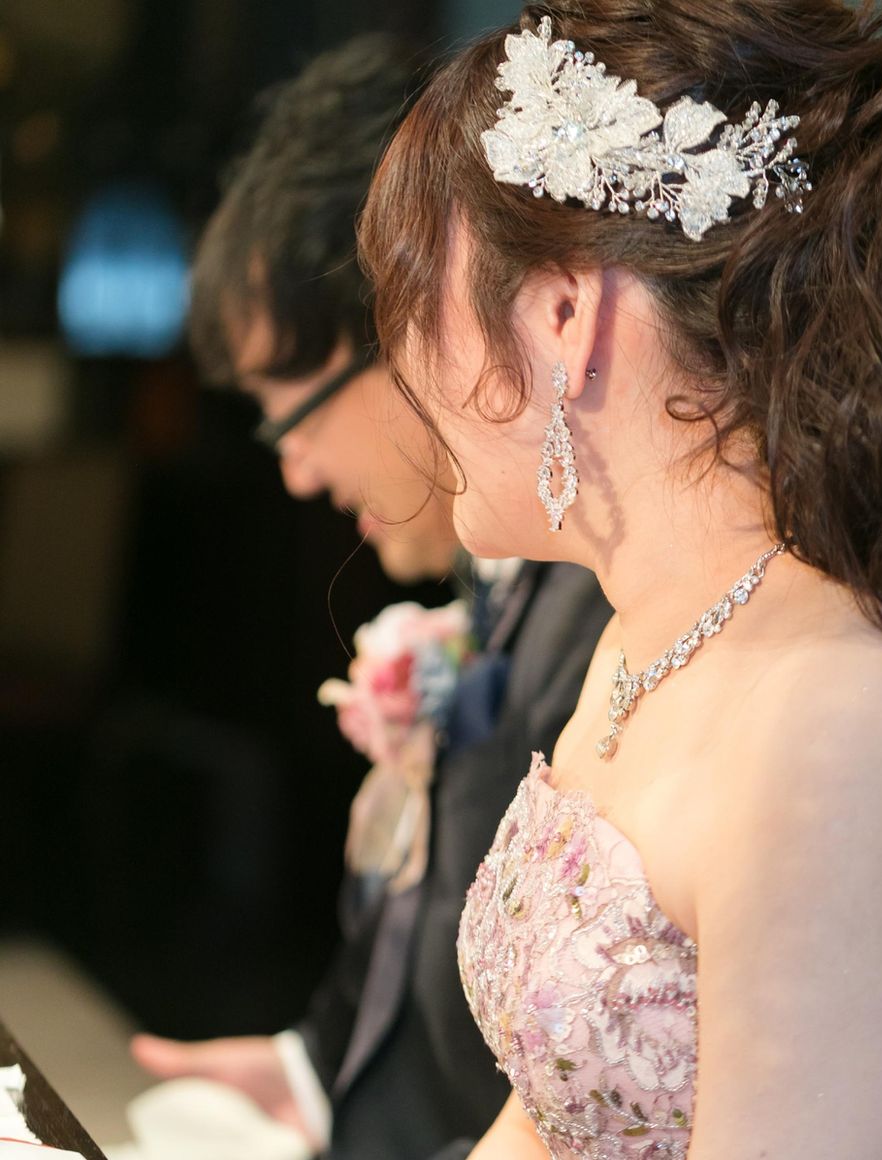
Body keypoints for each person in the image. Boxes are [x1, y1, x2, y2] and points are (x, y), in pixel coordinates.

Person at [356, 1, 882, 1156]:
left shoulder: (847, 726)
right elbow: (549, 1123)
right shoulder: (650, 641)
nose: (401, 368)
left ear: (565, 312)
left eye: (410, 301)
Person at [128, 35, 611, 1160]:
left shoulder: (607, 617)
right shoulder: (497, 592)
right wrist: (309, 1072)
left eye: (288, 412)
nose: (294, 471)